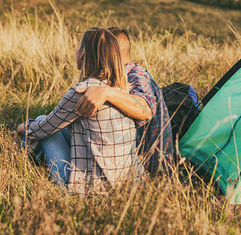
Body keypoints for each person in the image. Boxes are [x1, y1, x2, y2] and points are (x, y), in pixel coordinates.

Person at [17, 28, 145, 193]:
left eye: (77, 47)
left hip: (92, 189)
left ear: (83, 54)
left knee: (41, 122)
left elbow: (42, 129)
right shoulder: (123, 89)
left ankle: (18, 166)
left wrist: (21, 128)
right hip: (129, 185)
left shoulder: (83, 92)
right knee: (56, 126)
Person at [75, 27, 173, 172]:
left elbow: (144, 110)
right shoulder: (112, 75)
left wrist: (107, 92)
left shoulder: (136, 75)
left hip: (145, 165)